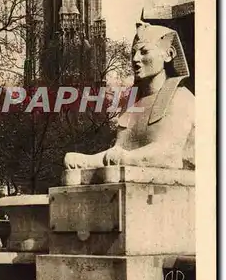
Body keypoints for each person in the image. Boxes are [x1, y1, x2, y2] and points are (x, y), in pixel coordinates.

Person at [64, 22, 195, 170]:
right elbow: (118, 151)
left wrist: (123, 158)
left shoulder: (181, 98)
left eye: (144, 52)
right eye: (133, 53)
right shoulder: (132, 103)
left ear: (168, 54)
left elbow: (169, 155)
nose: (135, 59)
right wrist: (89, 161)